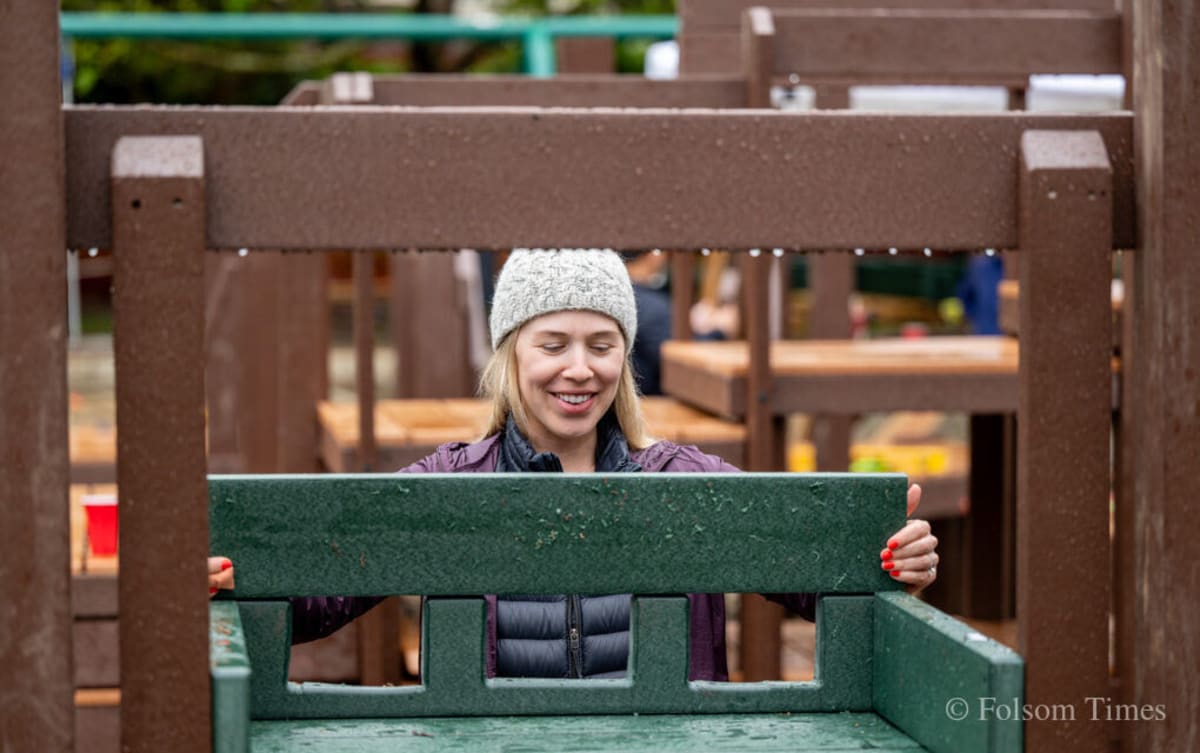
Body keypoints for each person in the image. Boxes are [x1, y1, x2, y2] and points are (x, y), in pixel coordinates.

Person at [208, 249, 938, 680]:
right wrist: (235, 580)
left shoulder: (681, 479)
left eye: (601, 343)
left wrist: (896, 559)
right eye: (552, 343)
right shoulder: (450, 484)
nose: (579, 369)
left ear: (625, 357)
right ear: (510, 355)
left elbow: (824, 583)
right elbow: (319, 601)